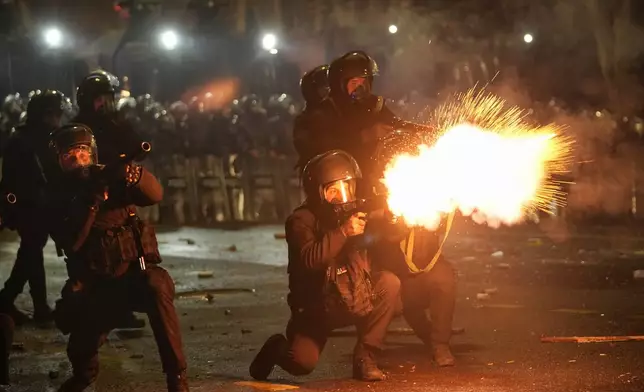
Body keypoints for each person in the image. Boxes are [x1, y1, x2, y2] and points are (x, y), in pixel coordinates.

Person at [44, 123, 188, 392]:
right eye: (68, 156)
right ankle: (82, 377)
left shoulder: (110, 177)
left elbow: (155, 195)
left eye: (82, 153)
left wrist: (135, 176)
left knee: (157, 285)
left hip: (135, 278)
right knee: (81, 358)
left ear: (93, 154)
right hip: (95, 289)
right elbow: (72, 242)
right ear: (58, 162)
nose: (77, 161)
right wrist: (92, 202)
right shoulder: (56, 196)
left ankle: (176, 378)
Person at [249, 150, 400, 382]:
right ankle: (275, 348)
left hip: (353, 297)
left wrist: (393, 219)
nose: (342, 197)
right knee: (302, 363)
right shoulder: (300, 221)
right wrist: (343, 232)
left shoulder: (355, 215)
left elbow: (385, 236)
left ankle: (365, 356)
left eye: (346, 188)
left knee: (389, 283)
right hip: (316, 310)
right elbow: (311, 259)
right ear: (318, 193)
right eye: (333, 191)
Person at [74, 70, 146, 329]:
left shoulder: (115, 124)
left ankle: (123, 309)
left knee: (127, 253)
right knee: (92, 262)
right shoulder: (77, 128)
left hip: (118, 199)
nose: (105, 104)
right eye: (100, 98)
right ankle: (89, 316)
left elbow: (138, 147)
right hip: (90, 202)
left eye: (108, 98)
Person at [0, 90, 66, 326]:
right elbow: (14, 180)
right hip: (29, 207)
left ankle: (13, 301)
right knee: (31, 253)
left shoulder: (39, 136)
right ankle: (19, 302)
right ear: (45, 114)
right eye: (55, 113)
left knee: (31, 253)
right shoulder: (23, 140)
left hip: (39, 205)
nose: (59, 118)